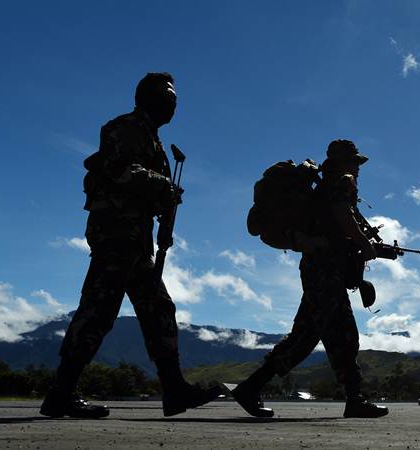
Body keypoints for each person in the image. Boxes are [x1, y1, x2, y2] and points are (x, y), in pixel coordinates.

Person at [40, 73, 220, 418]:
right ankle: (61, 393)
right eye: (167, 97)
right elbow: (119, 170)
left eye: (175, 98)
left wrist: (164, 205)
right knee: (98, 313)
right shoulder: (124, 128)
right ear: (146, 98)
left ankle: (174, 389)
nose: (173, 103)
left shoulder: (152, 139)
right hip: (116, 235)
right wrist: (162, 186)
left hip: (136, 239)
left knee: (158, 310)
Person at [232, 139, 388, 418]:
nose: (358, 167)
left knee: (344, 338)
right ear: (344, 161)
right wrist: (364, 242)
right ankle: (250, 387)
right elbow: (342, 216)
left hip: (324, 270)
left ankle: (355, 399)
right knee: (305, 337)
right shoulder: (343, 180)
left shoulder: (323, 184)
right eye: (355, 161)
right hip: (325, 271)